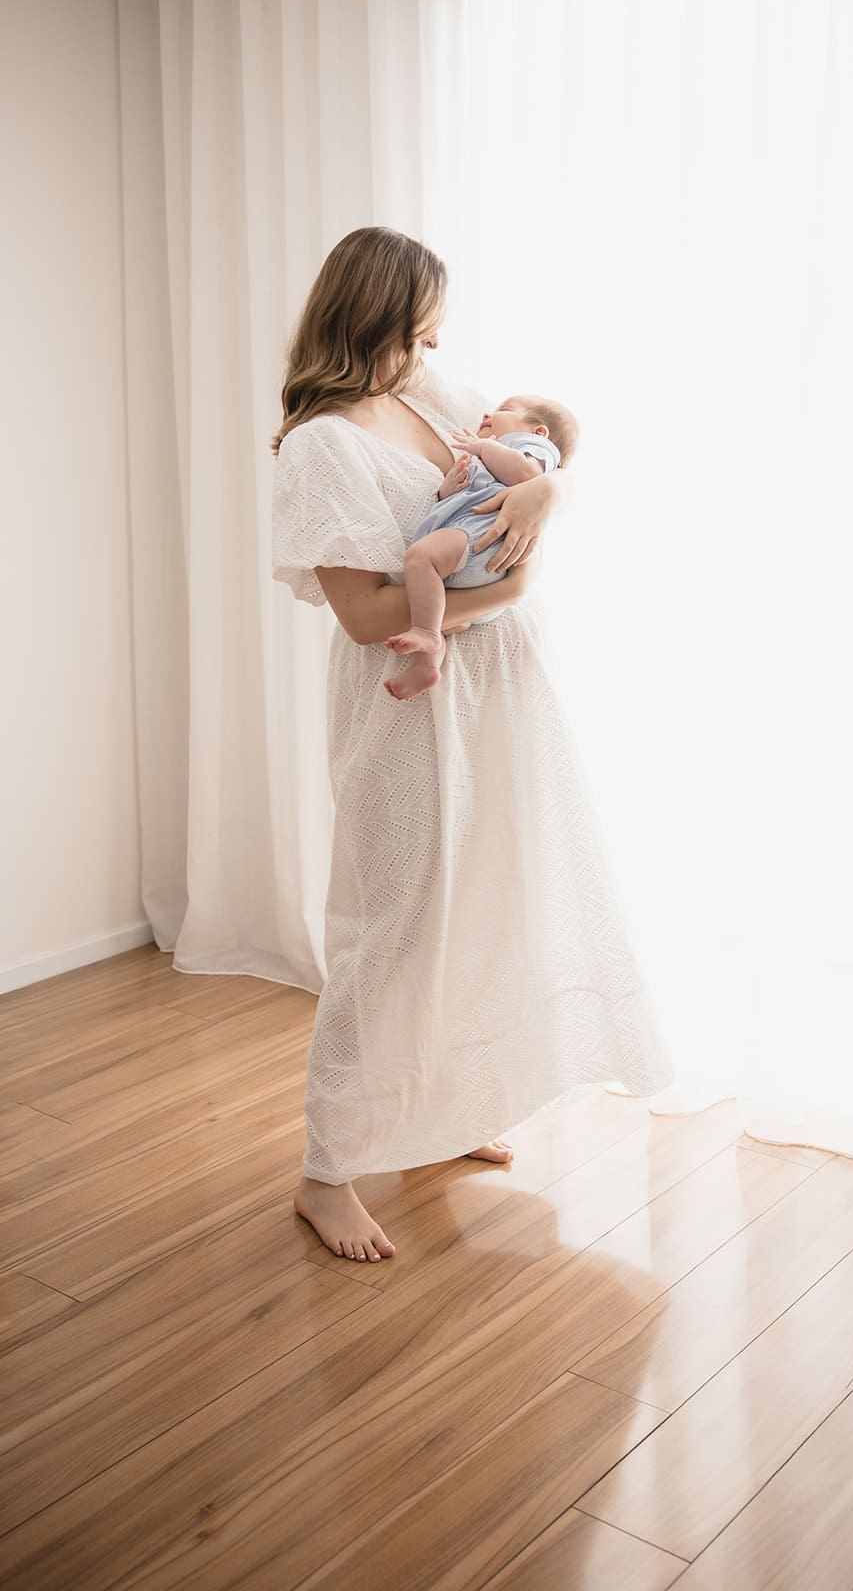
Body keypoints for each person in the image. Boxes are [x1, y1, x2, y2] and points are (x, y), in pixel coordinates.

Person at [271, 226, 675, 1264]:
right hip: (408, 692)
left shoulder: (434, 396)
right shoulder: (323, 442)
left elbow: (546, 460)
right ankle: (327, 1170)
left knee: (489, 893)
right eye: (427, 314)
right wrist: (510, 586)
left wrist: (547, 492)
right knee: (392, 920)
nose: (441, 334)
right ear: (384, 310)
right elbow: (365, 615)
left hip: (500, 684)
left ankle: (437, 1117)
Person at [383, 394, 578, 699]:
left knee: (421, 558)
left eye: (504, 410)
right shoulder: (492, 456)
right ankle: (426, 663)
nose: (488, 413)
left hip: (483, 536)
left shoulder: (531, 449)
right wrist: (450, 487)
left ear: (539, 432)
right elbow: (455, 499)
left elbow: (527, 475)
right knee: (434, 604)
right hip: (470, 543)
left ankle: (427, 634)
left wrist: (483, 447)